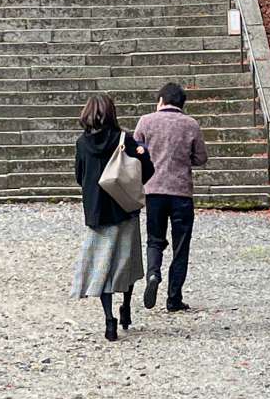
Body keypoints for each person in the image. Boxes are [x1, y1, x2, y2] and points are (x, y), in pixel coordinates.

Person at [71, 93, 153, 341]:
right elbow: (146, 168)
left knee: (102, 267)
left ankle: (109, 319)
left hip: (97, 213)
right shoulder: (124, 139)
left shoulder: (82, 144)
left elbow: (79, 176)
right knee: (126, 262)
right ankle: (126, 308)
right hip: (124, 208)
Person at [131, 81, 207, 312]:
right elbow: (201, 157)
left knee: (154, 240)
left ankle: (153, 274)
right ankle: (174, 298)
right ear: (182, 104)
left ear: (161, 101)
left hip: (153, 191)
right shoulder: (191, 125)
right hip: (181, 192)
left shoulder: (146, 121)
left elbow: (134, 152)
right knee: (180, 246)